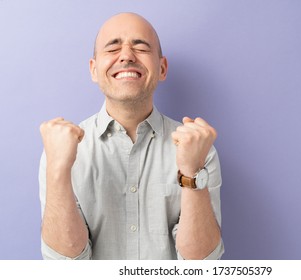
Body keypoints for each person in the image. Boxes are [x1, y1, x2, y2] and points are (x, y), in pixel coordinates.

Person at [38, 12, 223, 260]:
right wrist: (58, 170)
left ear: (162, 68)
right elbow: (65, 265)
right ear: (94, 70)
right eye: (113, 47)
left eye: (141, 47)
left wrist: (191, 172)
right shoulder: (59, 150)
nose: (126, 56)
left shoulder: (199, 151)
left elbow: (201, 267)